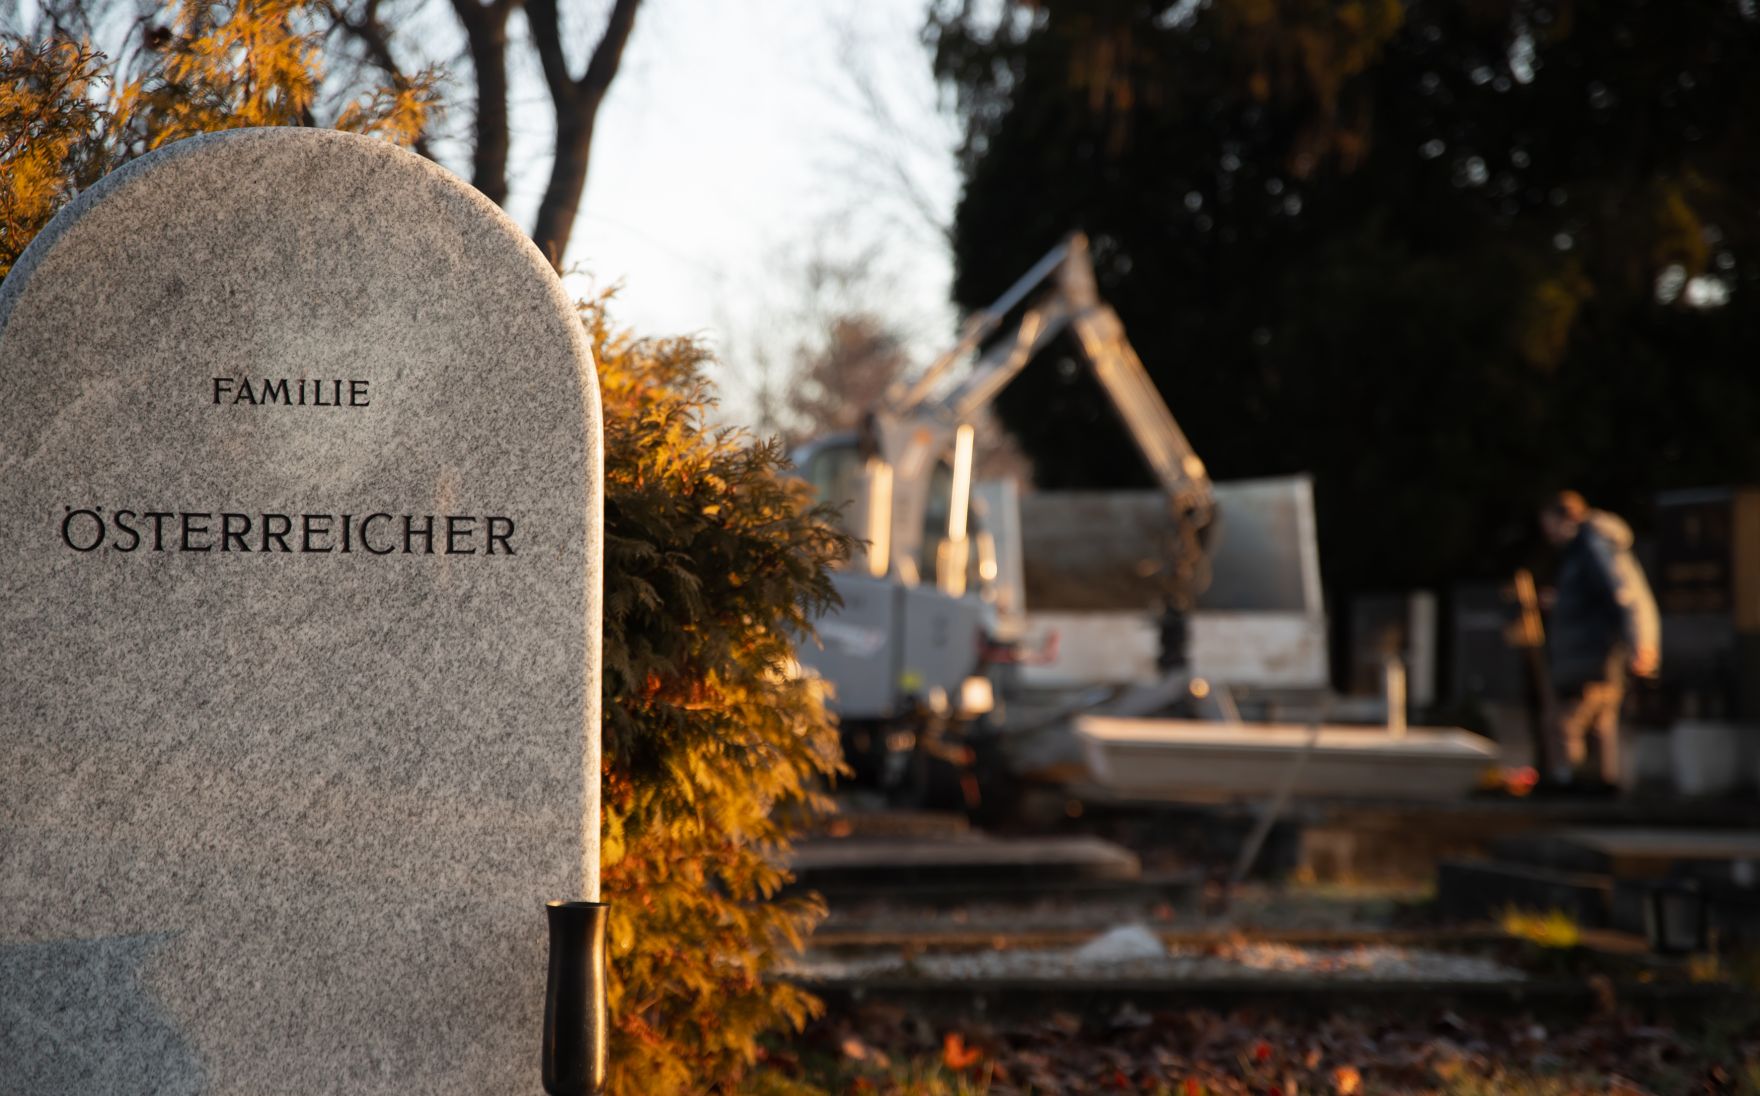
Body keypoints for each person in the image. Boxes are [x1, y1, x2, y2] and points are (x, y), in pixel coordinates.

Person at [1538, 490, 1661, 791]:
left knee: (1565, 723)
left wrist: (1639, 645)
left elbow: (1623, 595)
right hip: (1593, 655)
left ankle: (1572, 785)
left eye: (1548, 523)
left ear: (1565, 517)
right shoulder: (1585, 549)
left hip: (1591, 656)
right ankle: (1599, 787)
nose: (1547, 533)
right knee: (1598, 726)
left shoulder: (1592, 545)